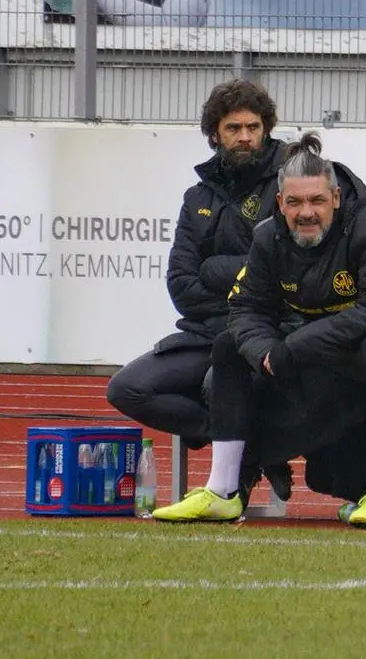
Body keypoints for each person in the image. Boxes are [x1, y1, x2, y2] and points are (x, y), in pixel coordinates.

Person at [150, 133, 366, 527]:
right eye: (295, 202)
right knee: (230, 345)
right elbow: (245, 307)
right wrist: (266, 350)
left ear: (335, 198)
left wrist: (295, 346)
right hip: (336, 339)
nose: (307, 212)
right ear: (280, 203)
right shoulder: (268, 236)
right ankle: (223, 490)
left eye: (317, 201)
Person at [105, 78, 290, 505]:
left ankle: (238, 460)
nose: (245, 137)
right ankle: (257, 448)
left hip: (264, 335)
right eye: (233, 128)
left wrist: (215, 269)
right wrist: (241, 282)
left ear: (266, 129)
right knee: (126, 389)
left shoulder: (288, 187)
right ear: (214, 134)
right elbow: (181, 285)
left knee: (217, 383)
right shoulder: (197, 197)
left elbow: (282, 275)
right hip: (204, 332)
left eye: (253, 127)